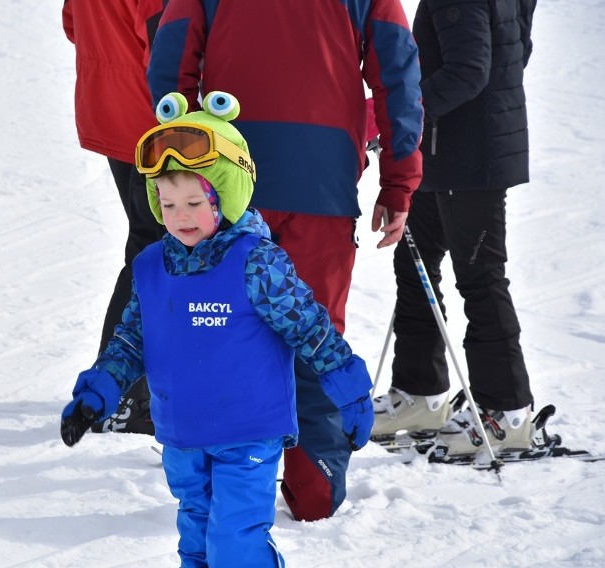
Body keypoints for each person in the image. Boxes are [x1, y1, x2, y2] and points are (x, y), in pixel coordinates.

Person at [60, 91, 374, 567]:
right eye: (166, 204)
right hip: (183, 433)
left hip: (249, 431)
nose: (179, 216)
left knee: (235, 542)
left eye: (193, 201)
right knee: (197, 539)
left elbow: (310, 329)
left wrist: (350, 393)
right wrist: (98, 392)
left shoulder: (255, 263)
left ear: (226, 194)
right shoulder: (150, 268)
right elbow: (130, 341)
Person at [147, 0, 423, 521]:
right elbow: (397, 75)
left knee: (218, 329)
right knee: (314, 330)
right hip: (321, 178)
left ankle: (214, 489)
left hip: (226, 183)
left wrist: (179, 169)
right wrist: (399, 179)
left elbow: (171, 63)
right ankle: (314, 490)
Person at [371, 0, 538, 459]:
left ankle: (506, 411)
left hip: (470, 157)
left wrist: (401, 113)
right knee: (414, 266)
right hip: (443, 153)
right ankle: (421, 394)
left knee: (480, 279)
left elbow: (469, 71)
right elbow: (512, 50)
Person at [62, 0, 166, 434]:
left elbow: (73, 24)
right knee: (153, 249)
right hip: (152, 122)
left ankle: (125, 386)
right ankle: (121, 391)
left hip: (111, 110)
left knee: (148, 241)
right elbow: (170, 50)